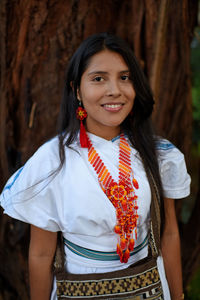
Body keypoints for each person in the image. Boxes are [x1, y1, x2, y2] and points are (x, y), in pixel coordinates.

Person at [0, 33, 190, 300]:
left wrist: (179, 296)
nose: (115, 90)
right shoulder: (52, 161)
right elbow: (41, 254)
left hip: (150, 287)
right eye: (98, 78)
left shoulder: (158, 154)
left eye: (125, 77)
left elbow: (169, 233)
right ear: (77, 90)